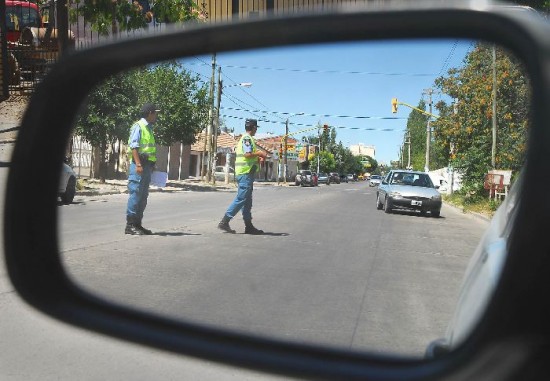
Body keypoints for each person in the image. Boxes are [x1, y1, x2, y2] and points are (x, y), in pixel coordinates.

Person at [218, 119, 267, 234]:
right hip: (245, 173)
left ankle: (248, 226)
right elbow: (247, 154)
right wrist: (259, 153)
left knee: (247, 201)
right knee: (241, 198)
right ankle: (225, 221)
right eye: (256, 128)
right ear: (253, 127)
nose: (256, 130)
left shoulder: (247, 139)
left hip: (247, 173)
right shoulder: (246, 139)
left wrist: (257, 158)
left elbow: (249, 156)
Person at [125, 103, 160, 235]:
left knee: (143, 196)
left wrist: (152, 164)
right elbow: (134, 146)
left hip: (147, 166)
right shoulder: (138, 126)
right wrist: (139, 164)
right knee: (135, 194)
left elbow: (149, 149)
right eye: (155, 113)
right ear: (150, 113)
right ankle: (130, 225)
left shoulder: (149, 128)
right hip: (138, 166)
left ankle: (138, 224)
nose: (156, 115)